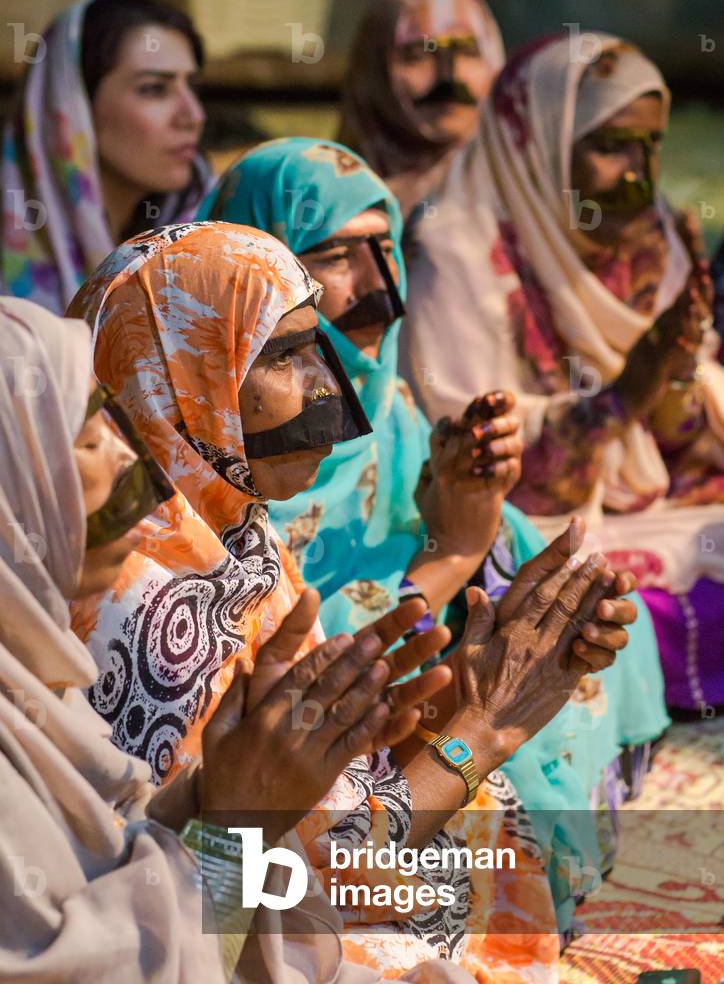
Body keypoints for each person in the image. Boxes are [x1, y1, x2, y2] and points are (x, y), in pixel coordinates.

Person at [69, 219, 629, 978]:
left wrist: (454, 695)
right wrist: (485, 727)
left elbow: (322, 795)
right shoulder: (140, 613)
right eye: (284, 355)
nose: (329, 386)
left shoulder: (229, 537)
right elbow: (296, 867)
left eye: (316, 346)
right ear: (184, 372)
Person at [197, 136, 668, 934]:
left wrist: (486, 531)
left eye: (385, 250)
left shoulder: (391, 413)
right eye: (334, 255)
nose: (381, 290)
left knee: (590, 623)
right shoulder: (217, 457)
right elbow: (289, 680)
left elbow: (477, 555)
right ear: (256, 280)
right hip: (288, 781)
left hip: (390, 696)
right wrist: (447, 561)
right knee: (451, 830)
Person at [0, 296, 462, 983]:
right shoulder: (130, 619)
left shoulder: (39, 680)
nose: (134, 457)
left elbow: (142, 861)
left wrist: (234, 788)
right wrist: (241, 817)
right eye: (83, 434)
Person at [400, 32, 724, 716]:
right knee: (568, 621)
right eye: (611, 147)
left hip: (641, 515)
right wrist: (621, 396)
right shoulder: (455, 250)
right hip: (506, 541)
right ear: (535, 142)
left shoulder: (648, 232)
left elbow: (678, 449)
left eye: (652, 145)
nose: (638, 173)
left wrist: (670, 380)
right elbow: (464, 463)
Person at [1, 0, 210, 315]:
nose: (193, 116)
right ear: (71, 108)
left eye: (191, 86)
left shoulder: (210, 232)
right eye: (154, 88)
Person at [337, 0, 504, 219]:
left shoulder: (527, 200)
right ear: (373, 71)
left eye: (468, 52)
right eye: (418, 55)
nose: (450, 78)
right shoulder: (327, 207)